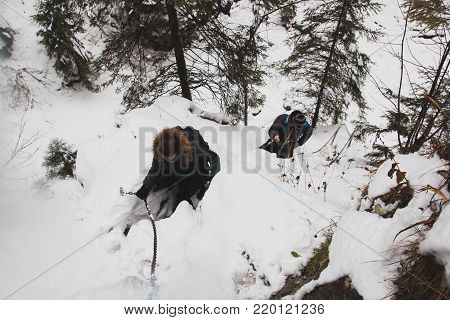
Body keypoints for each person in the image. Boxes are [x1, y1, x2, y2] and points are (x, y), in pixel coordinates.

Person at [135, 126, 220, 220]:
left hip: (196, 169)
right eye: (167, 158)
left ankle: (184, 198)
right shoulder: (160, 150)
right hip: (178, 169)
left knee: (188, 188)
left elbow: (214, 158)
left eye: (172, 156)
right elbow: (155, 170)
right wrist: (146, 187)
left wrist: (210, 179)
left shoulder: (193, 145)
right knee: (162, 178)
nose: (169, 159)